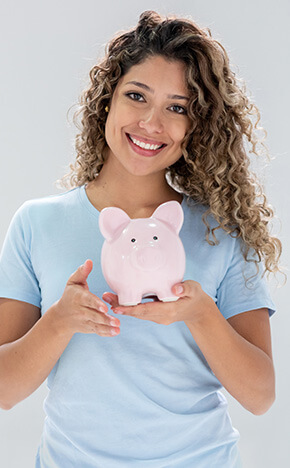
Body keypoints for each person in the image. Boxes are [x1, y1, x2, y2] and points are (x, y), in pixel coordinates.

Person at [0, 10, 284, 468]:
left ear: (197, 125)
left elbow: (261, 397)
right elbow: (5, 392)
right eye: (137, 96)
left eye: (178, 107)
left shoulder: (221, 230)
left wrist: (200, 313)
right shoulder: (37, 224)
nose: (152, 123)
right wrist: (59, 322)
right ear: (106, 100)